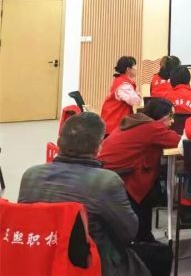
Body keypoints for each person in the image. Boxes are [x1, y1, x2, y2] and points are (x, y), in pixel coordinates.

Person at [18, 113, 157, 276]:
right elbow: (129, 233)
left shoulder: (31, 175)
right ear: (98, 147)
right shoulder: (106, 181)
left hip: (41, 260)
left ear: (59, 142)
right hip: (91, 265)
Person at [99, 98, 181, 242]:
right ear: (161, 117)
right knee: (149, 189)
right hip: (120, 177)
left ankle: (144, 237)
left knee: (152, 186)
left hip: (104, 172)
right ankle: (143, 240)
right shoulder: (152, 128)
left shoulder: (135, 121)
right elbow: (178, 142)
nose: (172, 121)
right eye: (170, 117)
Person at [100, 56, 142, 135]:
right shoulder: (124, 85)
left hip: (114, 123)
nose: (136, 68)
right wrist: (138, 95)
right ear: (128, 69)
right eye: (135, 66)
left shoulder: (121, 81)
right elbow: (136, 101)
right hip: (114, 125)